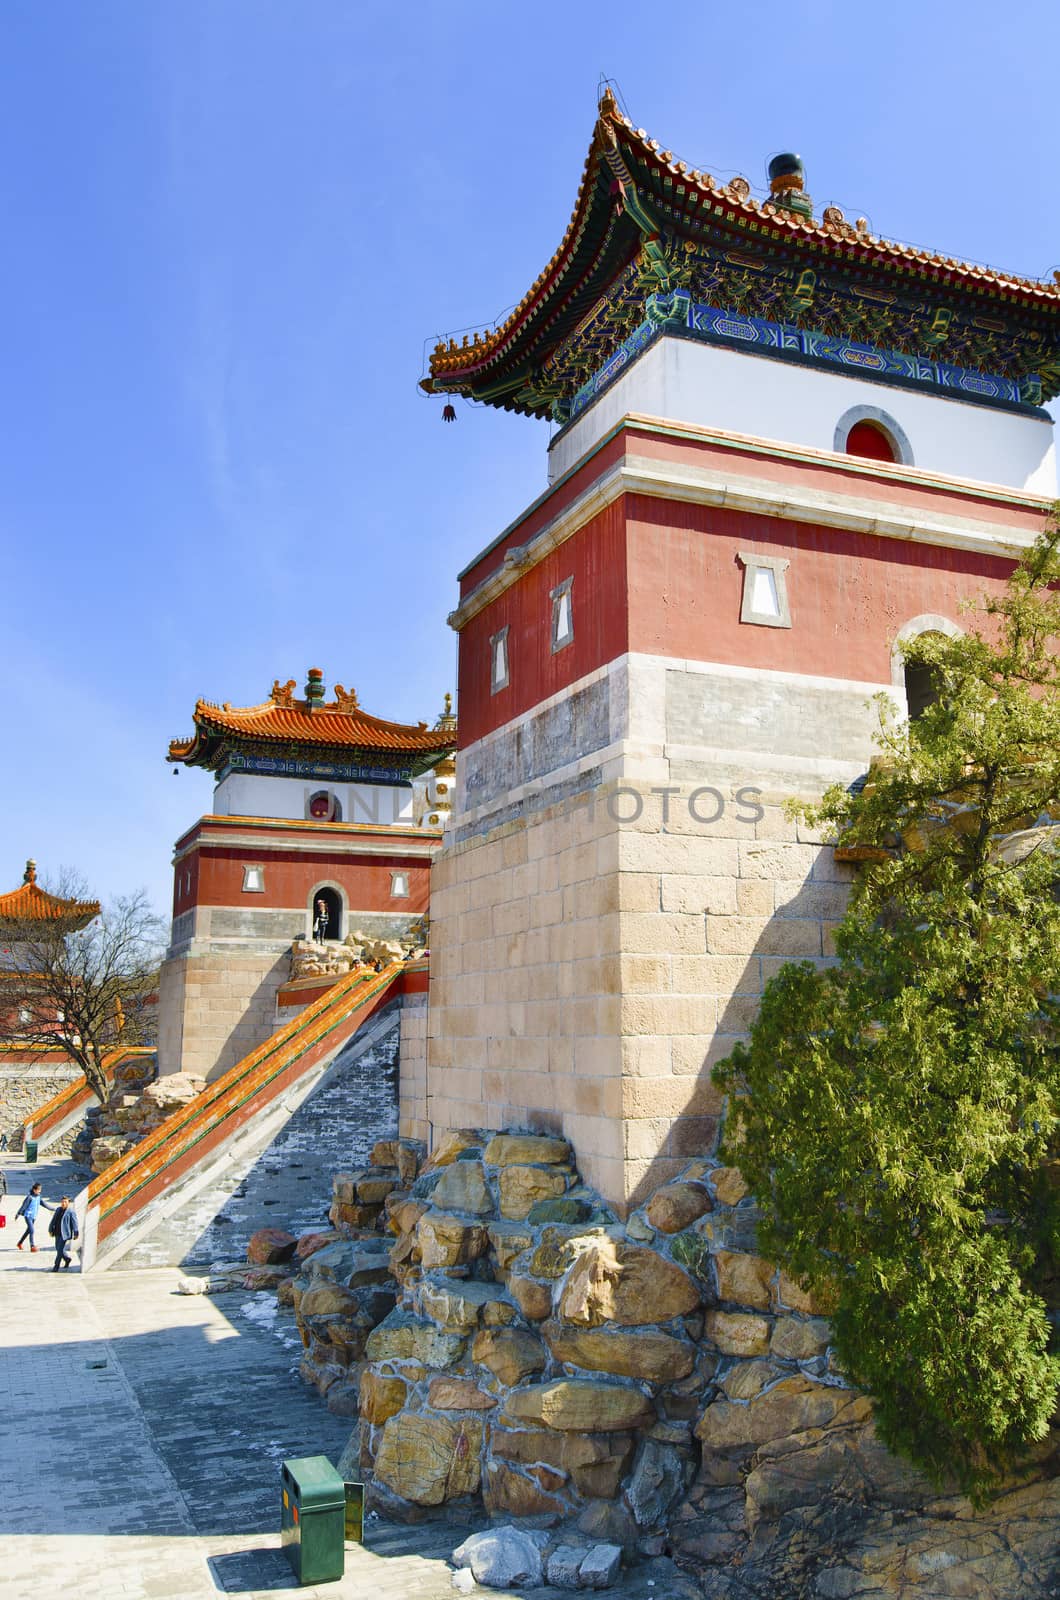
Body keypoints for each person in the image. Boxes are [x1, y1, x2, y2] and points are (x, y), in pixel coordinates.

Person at [15, 1182, 52, 1252]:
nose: (40, 1191)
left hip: (33, 1217)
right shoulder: (30, 1197)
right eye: (38, 1190)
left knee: (28, 1231)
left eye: (40, 1189)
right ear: (34, 1190)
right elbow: (24, 1206)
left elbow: (44, 1204)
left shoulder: (38, 1197)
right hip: (28, 1216)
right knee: (32, 1230)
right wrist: (18, 1213)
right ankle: (32, 1246)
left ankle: (19, 1243)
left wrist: (53, 1208)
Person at [48, 1197, 79, 1271]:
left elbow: (75, 1223)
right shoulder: (58, 1209)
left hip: (65, 1233)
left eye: (65, 1202)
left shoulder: (71, 1211)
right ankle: (67, 1259)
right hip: (57, 1232)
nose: (63, 1203)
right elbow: (53, 1220)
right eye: (62, 1202)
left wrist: (76, 1233)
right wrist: (50, 1229)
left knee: (60, 1249)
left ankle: (56, 1266)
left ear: (68, 1203)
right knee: (58, 1248)